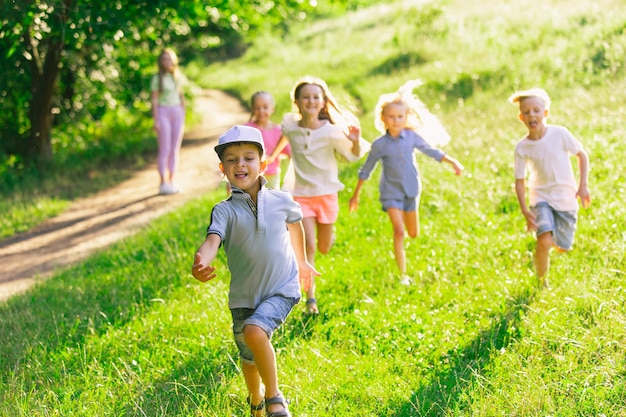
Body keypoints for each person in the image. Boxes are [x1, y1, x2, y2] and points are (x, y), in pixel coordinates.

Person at [191, 125, 318, 417]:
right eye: (232, 160)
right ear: (223, 169)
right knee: (249, 358)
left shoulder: (281, 199)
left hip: (281, 288)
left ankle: (275, 399)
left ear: (263, 164)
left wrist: (301, 261)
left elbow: (295, 223)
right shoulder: (224, 210)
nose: (240, 164)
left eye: (248, 158)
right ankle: (256, 401)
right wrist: (201, 261)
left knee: (254, 331)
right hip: (243, 297)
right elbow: (213, 241)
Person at [267, 76, 370, 315]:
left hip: (326, 195)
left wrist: (354, 142)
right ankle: (310, 299)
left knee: (324, 247)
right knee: (308, 245)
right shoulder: (290, 124)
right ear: (298, 102)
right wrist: (272, 157)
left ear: (323, 102)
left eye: (316, 97)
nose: (311, 101)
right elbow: (285, 137)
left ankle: (326, 239)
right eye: (306, 97)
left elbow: (353, 156)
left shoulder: (332, 131)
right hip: (299, 194)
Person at [348, 80, 464, 285]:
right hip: (390, 192)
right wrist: (355, 195)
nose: (395, 120)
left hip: (411, 190)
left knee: (413, 233)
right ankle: (403, 275)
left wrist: (452, 161)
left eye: (400, 116)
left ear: (405, 117)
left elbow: (431, 151)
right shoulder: (379, 145)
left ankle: (405, 262)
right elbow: (366, 170)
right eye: (391, 117)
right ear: (383, 119)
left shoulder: (411, 137)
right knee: (399, 231)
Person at [510, 88, 591, 288]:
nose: (531, 115)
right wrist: (525, 210)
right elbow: (519, 181)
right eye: (526, 112)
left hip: (565, 196)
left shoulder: (560, 134)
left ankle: (551, 243)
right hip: (540, 197)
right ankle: (541, 282)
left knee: (563, 247)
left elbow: (582, 155)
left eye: (536, 110)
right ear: (521, 117)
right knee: (544, 240)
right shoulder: (522, 147)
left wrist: (583, 186)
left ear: (545, 113)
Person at [150, 48, 186, 195]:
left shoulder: (176, 77)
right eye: (164, 59)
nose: (167, 62)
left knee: (174, 150)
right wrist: (156, 120)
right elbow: (154, 101)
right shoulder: (157, 79)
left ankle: (172, 181)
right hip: (163, 112)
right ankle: (162, 183)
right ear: (160, 61)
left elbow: (181, 96)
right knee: (164, 149)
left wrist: (183, 112)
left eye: (169, 59)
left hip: (177, 112)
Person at [246, 91, 291, 189]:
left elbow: (290, 153)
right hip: (251, 176)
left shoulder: (279, 130)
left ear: (272, 109)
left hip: (272, 176)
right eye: (257, 108)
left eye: (265, 107)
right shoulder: (247, 129)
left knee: (272, 202)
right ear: (252, 109)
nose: (261, 111)